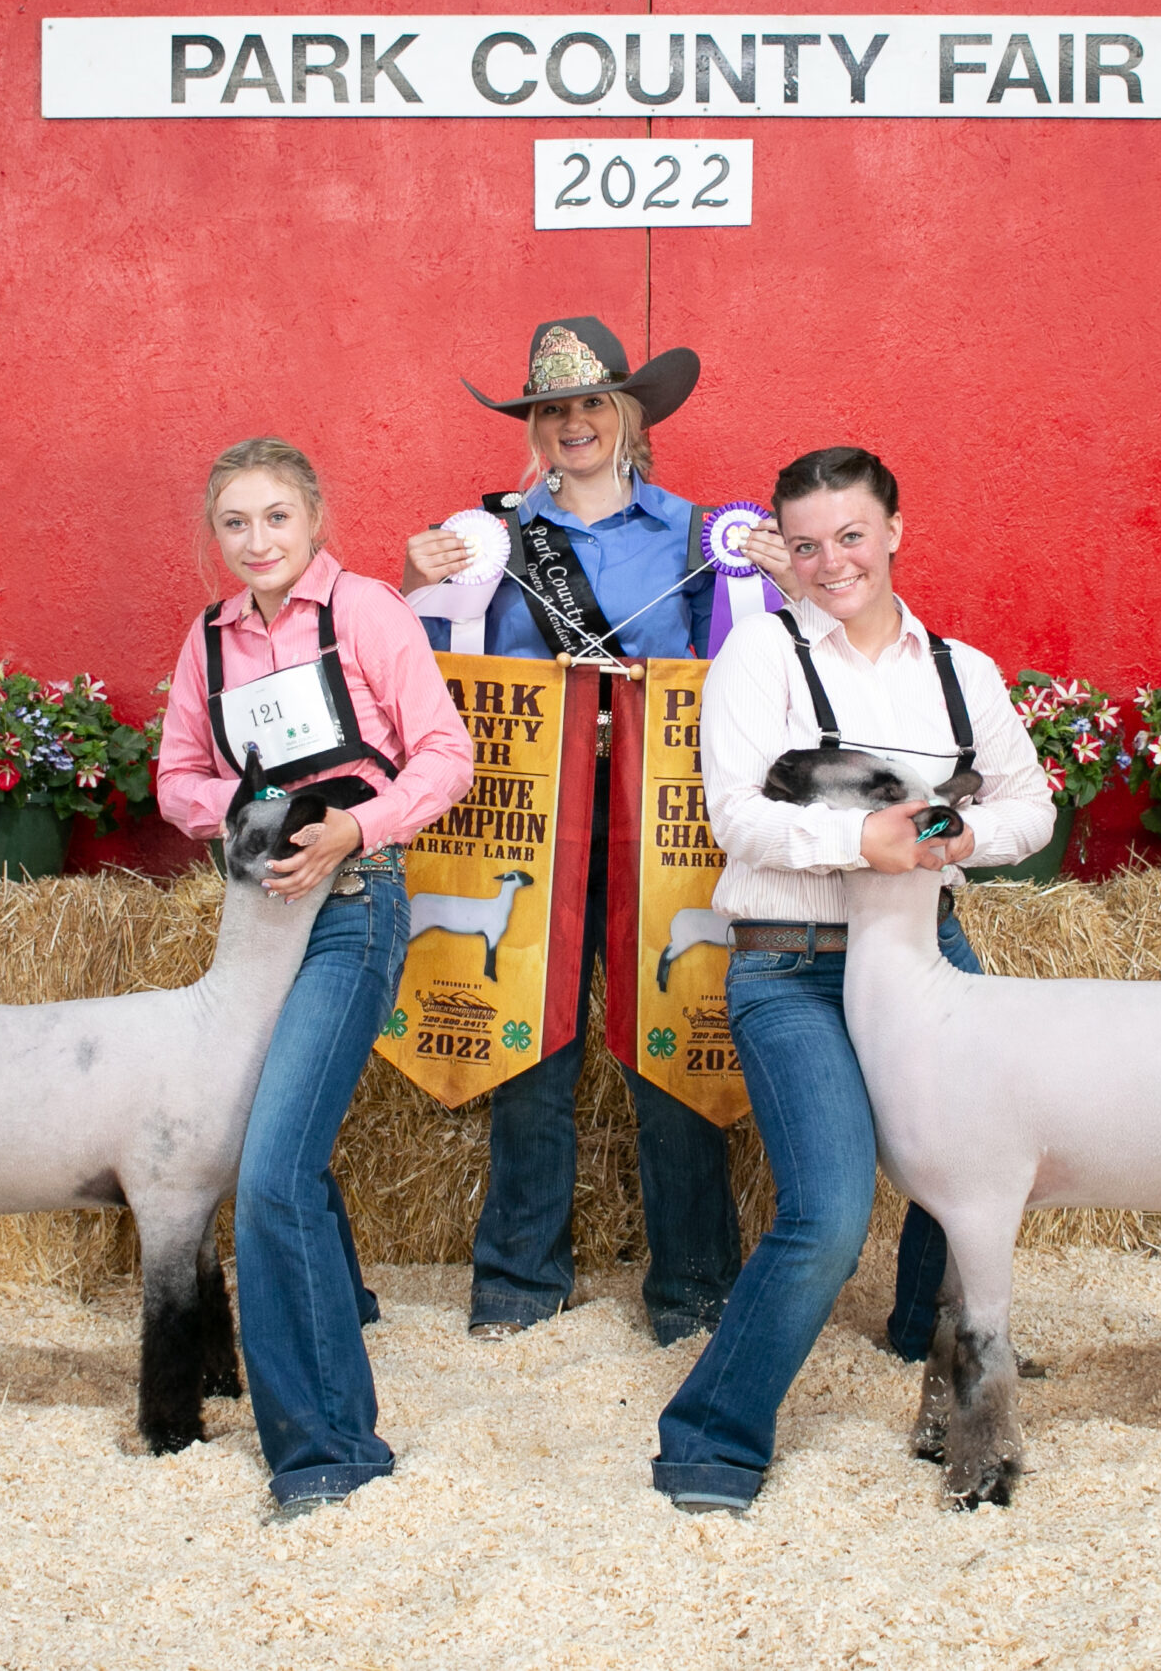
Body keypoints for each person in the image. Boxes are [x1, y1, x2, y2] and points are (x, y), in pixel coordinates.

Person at [652, 445, 1054, 1512]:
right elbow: (733, 813)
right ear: (783, 549)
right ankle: (709, 1435)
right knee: (828, 1214)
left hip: (927, 956)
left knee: (973, 1179)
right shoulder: (762, 656)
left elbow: (1032, 807)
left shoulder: (961, 672)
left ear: (894, 532)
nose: (832, 561)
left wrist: (950, 833)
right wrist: (857, 840)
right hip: (792, 962)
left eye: (853, 535)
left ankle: (945, 1381)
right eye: (809, 542)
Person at [402, 316, 753, 1346]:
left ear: (628, 415)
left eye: (591, 402)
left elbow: (728, 683)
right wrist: (422, 583)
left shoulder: (698, 536)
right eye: (551, 409)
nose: (572, 423)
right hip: (532, 822)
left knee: (672, 1044)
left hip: (658, 824)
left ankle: (692, 1289)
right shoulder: (487, 541)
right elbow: (438, 674)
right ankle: (518, 1283)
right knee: (534, 1050)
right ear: (535, 426)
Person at [156, 437, 473, 1517]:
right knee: (281, 1148)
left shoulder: (369, 612)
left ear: (314, 519)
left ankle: (329, 1450)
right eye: (235, 523)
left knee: (274, 1168)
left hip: (352, 907)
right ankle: (340, 1315)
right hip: (257, 918)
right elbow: (175, 780)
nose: (257, 542)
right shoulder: (208, 638)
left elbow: (444, 753)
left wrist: (351, 829)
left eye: (276, 519)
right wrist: (247, 817)